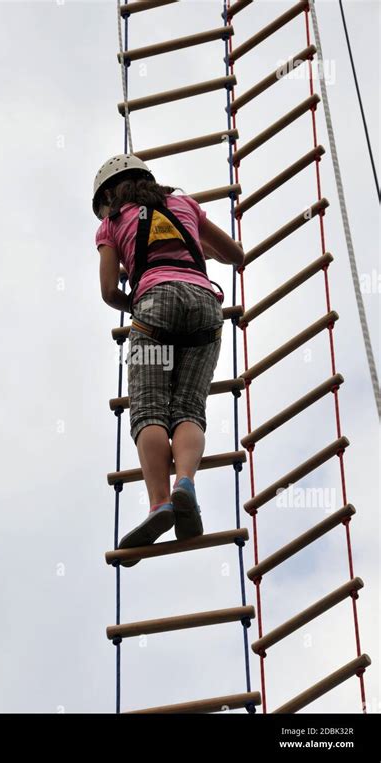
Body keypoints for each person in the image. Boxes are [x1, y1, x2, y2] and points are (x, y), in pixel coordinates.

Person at [93, 154, 244, 564]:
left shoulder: (110, 225)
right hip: (203, 308)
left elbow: (108, 291)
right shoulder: (183, 204)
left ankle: (160, 502)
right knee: (190, 408)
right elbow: (234, 254)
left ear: (109, 196)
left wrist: (137, 301)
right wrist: (197, 251)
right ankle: (186, 483)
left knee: (149, 410)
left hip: (155, 310)